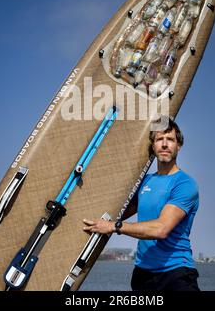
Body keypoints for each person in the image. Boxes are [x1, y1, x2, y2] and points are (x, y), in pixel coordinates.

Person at [83, 118, 200, 291]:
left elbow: (161, 229)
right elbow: (117, 211)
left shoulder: (184, 184)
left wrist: (114, 227)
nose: (165, 144)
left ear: (179, 146)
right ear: (153, 146)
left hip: (175, 274)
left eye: (170, 139)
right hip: (143, 274)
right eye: (160, 139)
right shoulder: (144, 182)